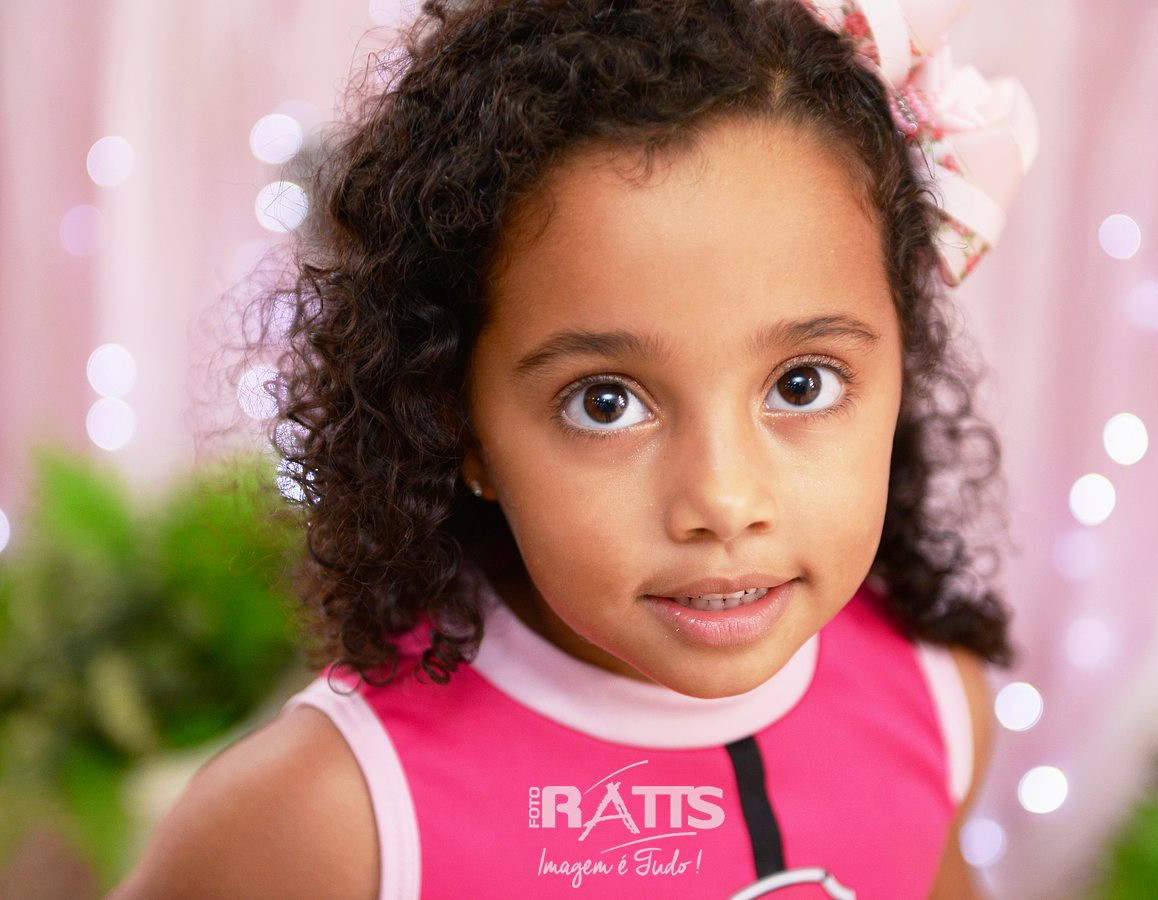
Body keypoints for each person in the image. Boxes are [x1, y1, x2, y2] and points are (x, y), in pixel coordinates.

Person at [117, 0, 1036, 896]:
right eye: (606, 403)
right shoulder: (329, 819)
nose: (723, 500)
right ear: (457, 422)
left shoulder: (936, 702)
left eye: (802, 384)